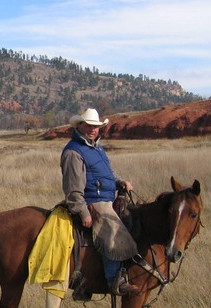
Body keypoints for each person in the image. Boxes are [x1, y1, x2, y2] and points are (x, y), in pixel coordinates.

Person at [60, 108, 139, 296]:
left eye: (95, 126)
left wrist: (120, 182)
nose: (92, 129)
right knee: (113, 231)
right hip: (92, 202)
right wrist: (83, 211)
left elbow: (107, 175)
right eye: (88, 125)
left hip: (108, 198)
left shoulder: (97, 148)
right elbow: (72, 188)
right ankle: (115, 280)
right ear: (79, 126)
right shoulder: (73, 151)